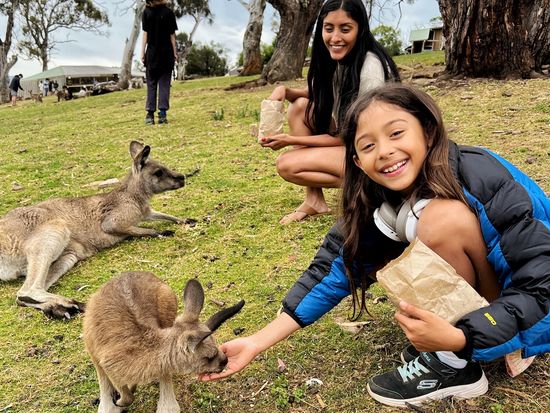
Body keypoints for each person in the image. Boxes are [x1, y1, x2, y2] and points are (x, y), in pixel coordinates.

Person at [201, 84, 550, 407]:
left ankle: (455, 366)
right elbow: (334, 270)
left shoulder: (481, 177)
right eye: (367, 146)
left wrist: (459, 339)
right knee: (399, 231)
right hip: (497, 316)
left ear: (427, 131)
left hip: (529, 313)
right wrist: (257, 341)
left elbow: (541, 286)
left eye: (397, 133)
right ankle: (462, 345)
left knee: (441, 219)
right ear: (356, 161)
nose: (384, 152)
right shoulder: (378, 198)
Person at [259, 0, 400, 224]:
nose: (335, 38)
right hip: (358, 145)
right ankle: (314, 200)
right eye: (329, 28)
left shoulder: (370, 68)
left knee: (287, 164)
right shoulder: (343, 59)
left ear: (360, 29)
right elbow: (318, 93)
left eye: (345, 29)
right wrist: (284, 91)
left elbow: (356, 136)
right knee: (300, 108)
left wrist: (289, 140)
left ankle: (370, 190)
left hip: (377, 154)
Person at [140, 0, 178, 125]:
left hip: (152, 54)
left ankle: (150, 115)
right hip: (166, 54)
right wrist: (174, 52)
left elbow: (145, 34)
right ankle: (162, 115)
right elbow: (172, 35)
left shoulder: (146, 12)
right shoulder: (169, 13)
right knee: (164, 84)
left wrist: (142, 52)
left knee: (151, 84)